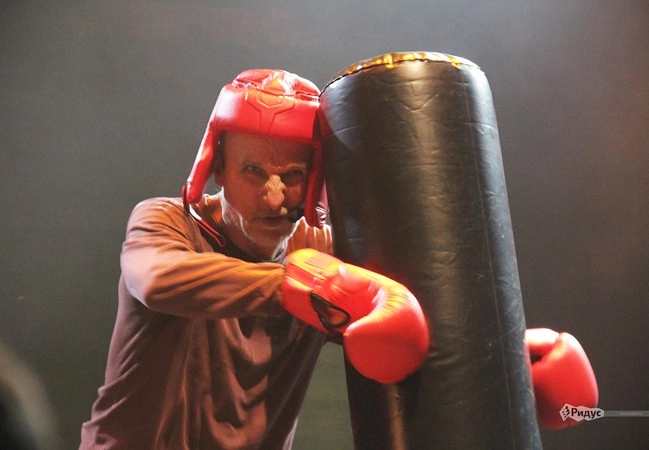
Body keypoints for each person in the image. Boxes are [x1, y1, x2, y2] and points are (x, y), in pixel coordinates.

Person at [79, 69, 428, 449]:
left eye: (292, 175)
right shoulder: (168, 222)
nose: (274, 198)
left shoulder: (323, 250)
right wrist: (303, 286)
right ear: (218, 169)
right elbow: (158, 279)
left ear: (314, 180)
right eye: (253, 172)